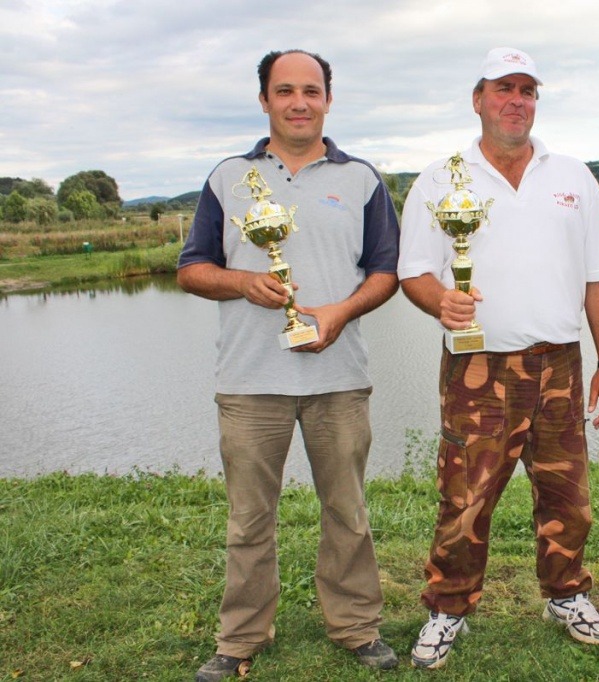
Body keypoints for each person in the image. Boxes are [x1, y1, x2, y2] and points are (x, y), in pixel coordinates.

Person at [177, 49, 400, 680]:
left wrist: (338, 312)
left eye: (311, 90)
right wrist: (242, 284)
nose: (298, 102)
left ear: (329, 98)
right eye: (285, 91)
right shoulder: (227, 177)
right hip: (249, 381)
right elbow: (191, 268)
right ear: (265, 101)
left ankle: (355, 626)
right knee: (249, 519)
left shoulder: (361, 178)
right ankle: (240, 638)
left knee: (348, 512)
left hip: (339, 377)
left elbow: (385, 272)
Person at [398, 46, 599, 669]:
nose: (516, 100)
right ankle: (448, 607)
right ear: (478, 99)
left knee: (567, 493)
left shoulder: (573, 176)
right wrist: (441, 300)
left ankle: (566, 593)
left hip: (561, 362)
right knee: (465, 496)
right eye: (503, 88)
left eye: (527, 89)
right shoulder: (441, 179)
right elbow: (413, 270)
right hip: (479, 366)